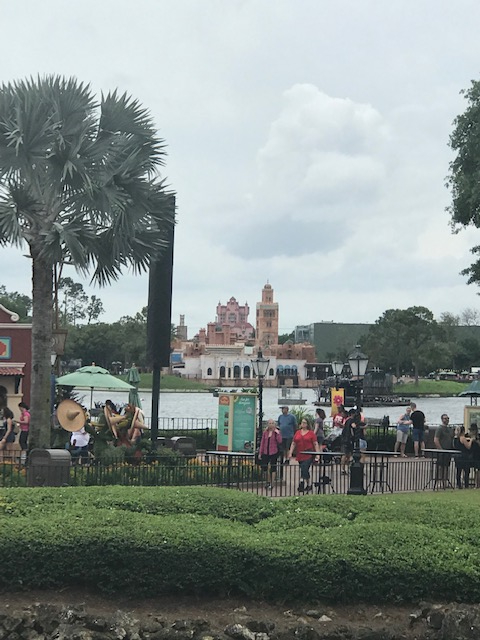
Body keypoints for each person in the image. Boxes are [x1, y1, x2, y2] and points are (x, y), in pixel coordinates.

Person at [287, 418, 320, 493]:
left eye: (305, 423)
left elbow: (315, 443)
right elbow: (293, 443)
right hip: (300, 453)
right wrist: (290, 452)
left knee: (305, 467)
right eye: (302, 422)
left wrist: (317, 454)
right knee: (303, 469)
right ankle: (308, 484)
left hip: (309, 453)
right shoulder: (298, 432)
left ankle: (301, 482)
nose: (303, 424)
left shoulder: (311, 433)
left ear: (307, 424)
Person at [258, 419, 282, 490]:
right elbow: (262, 443)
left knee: (273, 467)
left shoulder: (276, 432)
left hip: (273, 452)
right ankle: (268, 481)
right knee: (266, 467)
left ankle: (272, 483)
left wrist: (277, 433)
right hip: (266, 452)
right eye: (269, 423)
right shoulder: (265, 432)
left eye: (272, 423)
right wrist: (260, 453)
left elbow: (280, 441)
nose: (271, 425)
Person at [434, 414, 453, 487]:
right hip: (442, 451)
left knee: (446, 467)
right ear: (442, 419)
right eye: (445, 418)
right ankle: (439, 482)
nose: (447, 420)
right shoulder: (440, 428)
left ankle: (445, 482)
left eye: (448, 418)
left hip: (448, 451)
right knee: (440, 467)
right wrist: (441, 449)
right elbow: (436, 440)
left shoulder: (449, 429)